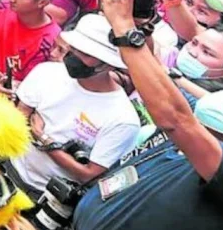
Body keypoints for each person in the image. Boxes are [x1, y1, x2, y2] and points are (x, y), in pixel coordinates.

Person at [50, 0, 223, 230]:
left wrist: (123, 28)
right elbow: (159, 84)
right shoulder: (207, 119)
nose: (203, 124)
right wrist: (142, 21)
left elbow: (175, 119)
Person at [8, 14, 140, 197]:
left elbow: (90, 174)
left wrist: (45, 140)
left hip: (44, 197)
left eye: (86, 54)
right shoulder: (46, 72)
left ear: (108, 64)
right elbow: (19, 116)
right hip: (9, 168)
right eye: (74, 48)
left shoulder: (123, 119)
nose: (74, 57)